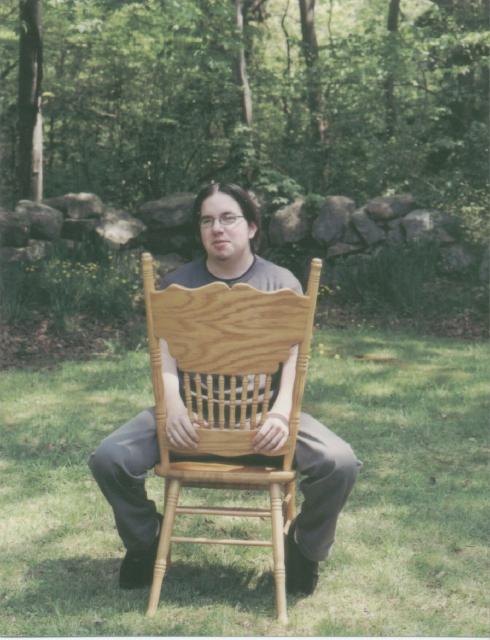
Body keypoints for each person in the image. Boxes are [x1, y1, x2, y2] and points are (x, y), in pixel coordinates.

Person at [89, 182, 360, 596]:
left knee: (340, 463)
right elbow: (165, 355)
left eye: (228, 218)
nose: (217, 228)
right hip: (192, 420)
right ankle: (146, 541)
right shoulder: (179, 285)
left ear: (251, 226)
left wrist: (280, 413)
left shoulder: (280, 282)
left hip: (262, 421)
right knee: (109, 458)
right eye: (207, 220)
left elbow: (294, 358)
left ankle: (305, 548)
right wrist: (173, 406)